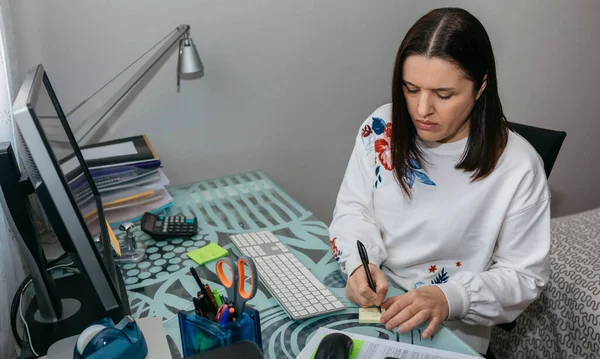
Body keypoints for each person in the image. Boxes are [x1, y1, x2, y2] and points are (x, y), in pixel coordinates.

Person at [329, 7, 551, 356]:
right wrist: (361, 265)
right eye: (410, 89)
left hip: (450, 329)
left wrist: (450, 298)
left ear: (481, 87)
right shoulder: (379, 129)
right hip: (375, 309)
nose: (421, 109)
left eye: (444, 95)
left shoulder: (518, 166)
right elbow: (354, 209)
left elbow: (524, 278)